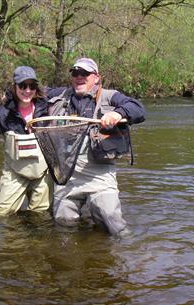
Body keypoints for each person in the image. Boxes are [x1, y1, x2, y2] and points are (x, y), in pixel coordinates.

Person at [47, 58, 146, 235]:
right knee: (63, 224)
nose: (79, 77)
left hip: (99, 174)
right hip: (67, 175)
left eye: (84, 73)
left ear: (96, 77)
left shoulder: (110, 96)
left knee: (112, 223)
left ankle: (130, 251)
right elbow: (32, 94)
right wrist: (9, 97)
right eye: (75, 73)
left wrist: (117, 113)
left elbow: (138, 108)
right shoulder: (61, 95)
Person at [0, 66, 53, 216]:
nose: (28, 90)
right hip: (14, 172)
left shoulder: (47, 107)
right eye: (23, 86)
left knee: (41, 215)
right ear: (14, 87)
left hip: (42, 172)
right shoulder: (3, 113)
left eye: (32, 86)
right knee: (2, 214)